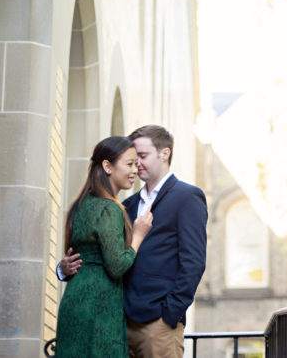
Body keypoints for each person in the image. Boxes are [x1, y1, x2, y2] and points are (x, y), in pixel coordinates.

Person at [61, 125, 208, 358]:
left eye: (142, 156)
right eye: (132, 158)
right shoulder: (124, 206)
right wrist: (64, 268)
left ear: (164, 153)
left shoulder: (187, 196)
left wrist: (170, 314)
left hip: (158, 324)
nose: (137, 163)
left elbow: (194, 263)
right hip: (116, 323)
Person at [55, 136, 154, 357]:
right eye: (129, 164)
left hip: (74, 301)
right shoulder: (109, 209)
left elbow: (78, 256)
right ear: (107, 166)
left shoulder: (80, 205)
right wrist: (138, 236)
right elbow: (117, 265)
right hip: (99, 307)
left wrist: (62, 268)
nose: (135, 170)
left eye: (136, 164)